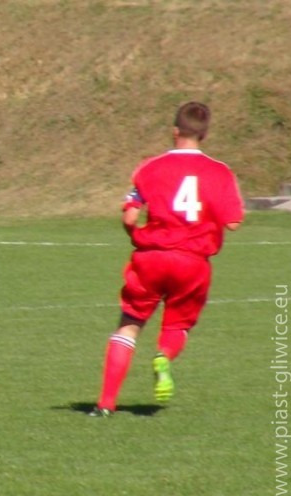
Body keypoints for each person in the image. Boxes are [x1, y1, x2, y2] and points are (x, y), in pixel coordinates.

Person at [91, 102, 243, 417]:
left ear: (175, 131)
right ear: (204, 135)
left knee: (129, 324)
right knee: (177, 324)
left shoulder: (150, 168)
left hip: (151, 258)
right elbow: (233, 222)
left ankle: (105, 404)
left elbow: (130, 216)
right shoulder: (220, 172)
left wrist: (135, 236)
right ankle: (163, 356)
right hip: (192, 262)